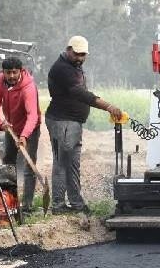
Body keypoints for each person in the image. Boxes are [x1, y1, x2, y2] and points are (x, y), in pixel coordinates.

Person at [45, 36, 122, 214]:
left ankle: (76, 203)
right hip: (62, 121)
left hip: (72, 122)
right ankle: (58, 205)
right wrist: (108, 106)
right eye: (77, 54)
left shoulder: (73, 66)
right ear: (68, 49)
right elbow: (80, 93)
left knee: (72, 163)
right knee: (62, 163)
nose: (80, 58)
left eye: (83, 55)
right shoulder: (62, 69)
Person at [0, 57, 41, 212]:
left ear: (20, 70)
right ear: (2, 72)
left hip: (30, 129)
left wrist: (24, 136)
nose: (11, 76)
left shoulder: (28, 87)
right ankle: (8, 202)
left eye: (14, 72)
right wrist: (0, 123)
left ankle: (27, 206)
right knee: (7, 164)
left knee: (28, 165)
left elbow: (33, 116)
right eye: (8, 73)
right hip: (10, 128)